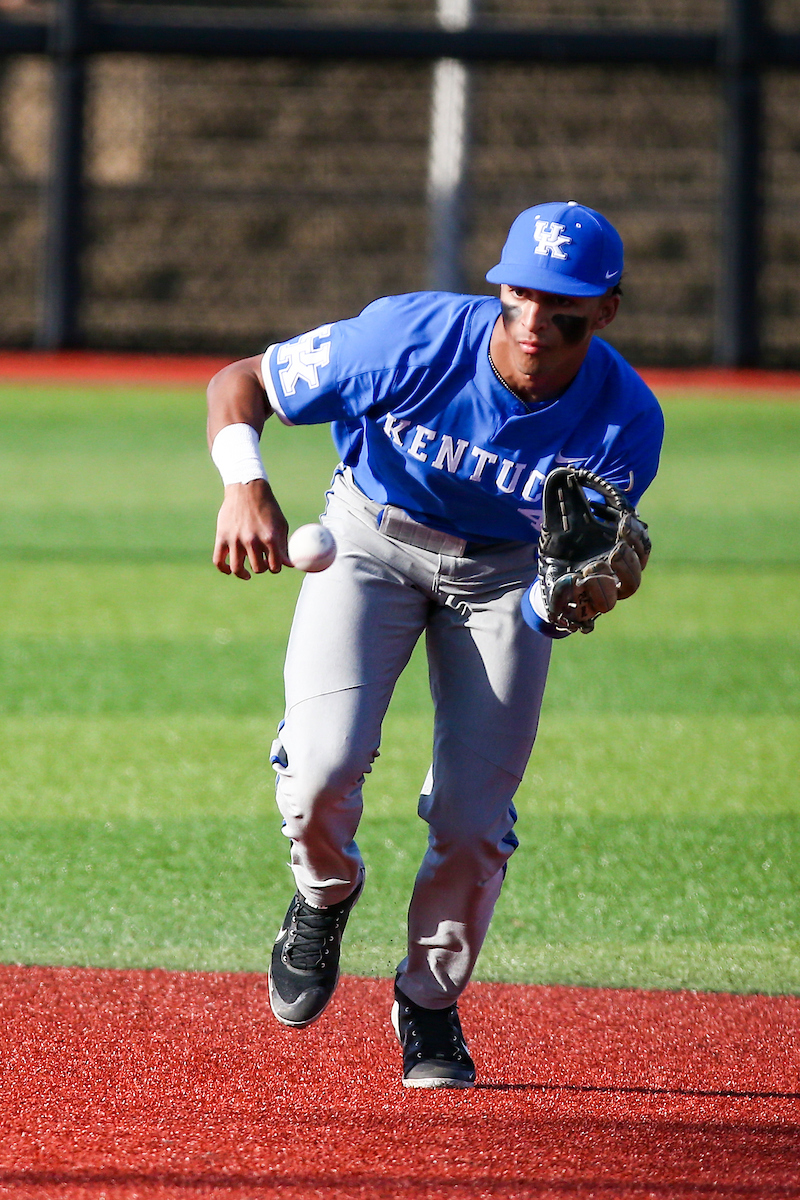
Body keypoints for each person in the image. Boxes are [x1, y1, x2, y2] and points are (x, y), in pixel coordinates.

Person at [206, 201, 664, 1089]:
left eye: (564, 303)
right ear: (499, 286)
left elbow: (552, 592)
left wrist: (564, 605)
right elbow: (242, 381)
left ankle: (428, 1002)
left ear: (605, 310)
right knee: (321, 770)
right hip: (368, 540)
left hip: (502, 573)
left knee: (471, 818)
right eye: (521, 293)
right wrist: (245, 484)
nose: (536, 321)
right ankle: (323, 893)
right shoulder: (408, 338)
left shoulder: (624, 422)